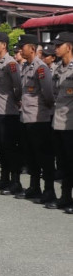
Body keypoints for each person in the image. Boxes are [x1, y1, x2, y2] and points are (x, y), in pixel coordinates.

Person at [17, 33, 55, 203]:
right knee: (30, 154)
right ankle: (34, 186)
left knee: (43, 156)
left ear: (31, 48)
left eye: (22, 46)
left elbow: (48, 94)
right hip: (26, 117)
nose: (19, 49)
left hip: (39, 118)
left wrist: (44, 110)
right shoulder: (25, 66)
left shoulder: (41, 68)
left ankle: (49, 190)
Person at [0, 32, 23, 194]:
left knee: (10, 147)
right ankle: (4, 179)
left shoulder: (11, 64)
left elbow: (18, 86)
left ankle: (15, 181)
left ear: (4, 45)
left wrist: (16, 101)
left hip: (8, 112)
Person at [51, 31, 73, 213]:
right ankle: (65, 197)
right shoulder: (57, 69)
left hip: (71, 123)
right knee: (64, 162)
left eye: (59, 45)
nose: (56, 49)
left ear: (69, 47)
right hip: (58, 122)